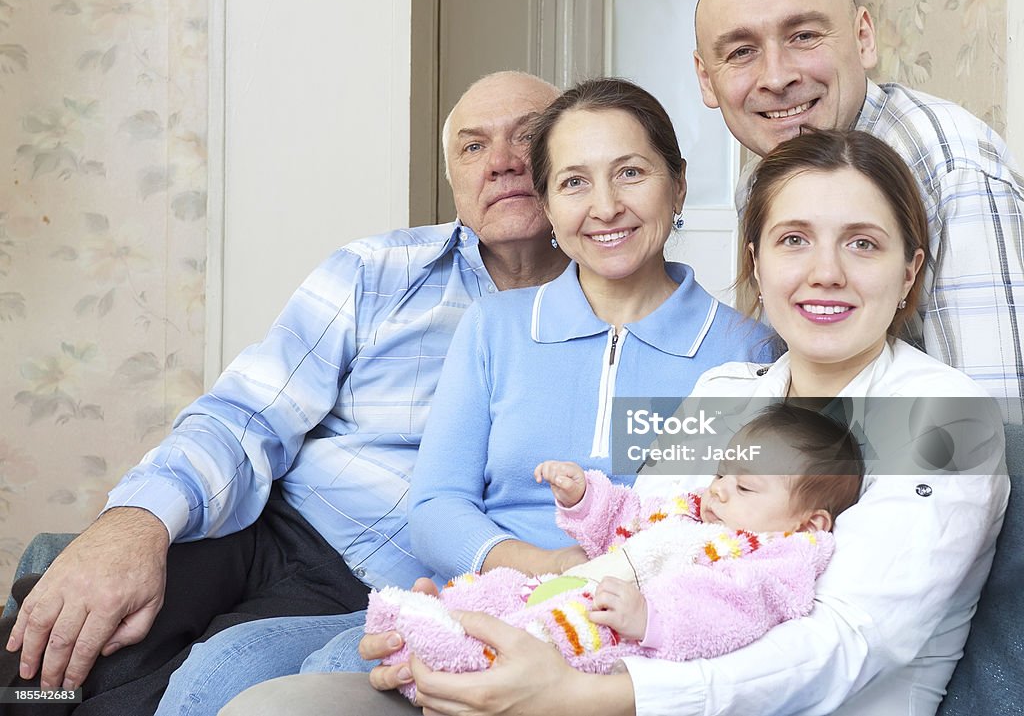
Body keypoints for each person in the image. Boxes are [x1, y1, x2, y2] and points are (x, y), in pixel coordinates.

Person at [225, 128, 1008, 716]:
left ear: (909, 270)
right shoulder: (730, 387)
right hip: (598, 669)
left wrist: (574, 693)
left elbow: (843, 648)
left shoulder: (943, 416)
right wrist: (491, 611)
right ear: (757, 260)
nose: (824, 271)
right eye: (793, 240)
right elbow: (642, 547)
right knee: (275, 705)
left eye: (863, 244)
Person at [153, 77, 772, 715]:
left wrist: (594, 587)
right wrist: (545, 563)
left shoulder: (742, 353)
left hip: (629, 626)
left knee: (325, 674)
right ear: (551, 205)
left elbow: (730, 522)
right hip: (481, 601)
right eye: (575, 182)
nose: (606, 205)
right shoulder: (496, 328)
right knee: (224, 669)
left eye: (632, 173)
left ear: (679, 185)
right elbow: (437, 504)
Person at [0, 71, 572, 714]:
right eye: (472, 147)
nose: (501, 162)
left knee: (168, 692)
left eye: (529, 136)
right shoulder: (376, 270)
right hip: (265, 524)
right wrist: (136, 523)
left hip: (376, 589)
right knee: (51, 654)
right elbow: (245, 414)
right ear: (453, 178)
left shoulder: (611, 326)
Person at [692, 0, 1024, 423]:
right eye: (742, 52)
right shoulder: (760, 180)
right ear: (706, 78)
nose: (777, 76)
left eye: (803, 36)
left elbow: (999, 435)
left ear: (863, 38)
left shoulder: (955, 170)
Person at [362, 403, 862, 699]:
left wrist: (649, 618)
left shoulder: (771, 561)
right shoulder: (689, 512)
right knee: (501, 593)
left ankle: (442, 647)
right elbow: (626, 518)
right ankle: (431, 617)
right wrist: (584, 497)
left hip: (612, 629)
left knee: (537, 634)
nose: (720, 492)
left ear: (809, 521)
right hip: (569, 583)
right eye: (720, 476)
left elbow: (730, 612)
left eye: (746, 488)